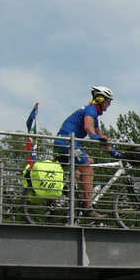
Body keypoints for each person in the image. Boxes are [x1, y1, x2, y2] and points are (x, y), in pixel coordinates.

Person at [54, 86, 119, 220]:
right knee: (88, 170)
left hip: (67, 141)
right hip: (68, 141)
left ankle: (71, 183)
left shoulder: (93, 113)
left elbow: (101, 138)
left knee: (89, 161)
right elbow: (88, 127)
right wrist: (96, 137)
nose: (109, 105)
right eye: (108, 101)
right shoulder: (91, 110)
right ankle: (88, 208)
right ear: (100, 100)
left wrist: (116, 154)